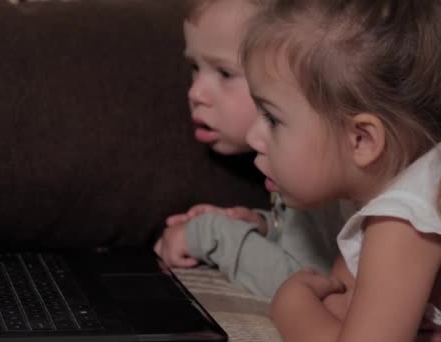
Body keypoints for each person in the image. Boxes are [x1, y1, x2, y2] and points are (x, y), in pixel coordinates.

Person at [241, 0, 441, 340]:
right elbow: (340, 301)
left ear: (361, 140)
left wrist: (291, 305)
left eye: (272, 118)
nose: (251, 136)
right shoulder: (377, 191)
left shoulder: (404, 218)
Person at [153, 0, 343, 298]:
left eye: (225, 73)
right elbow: (315, 242)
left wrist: (208, 234)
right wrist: (266, 226)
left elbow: (310, 282)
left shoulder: (324, 166)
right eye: (194, 67)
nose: (195, 92)